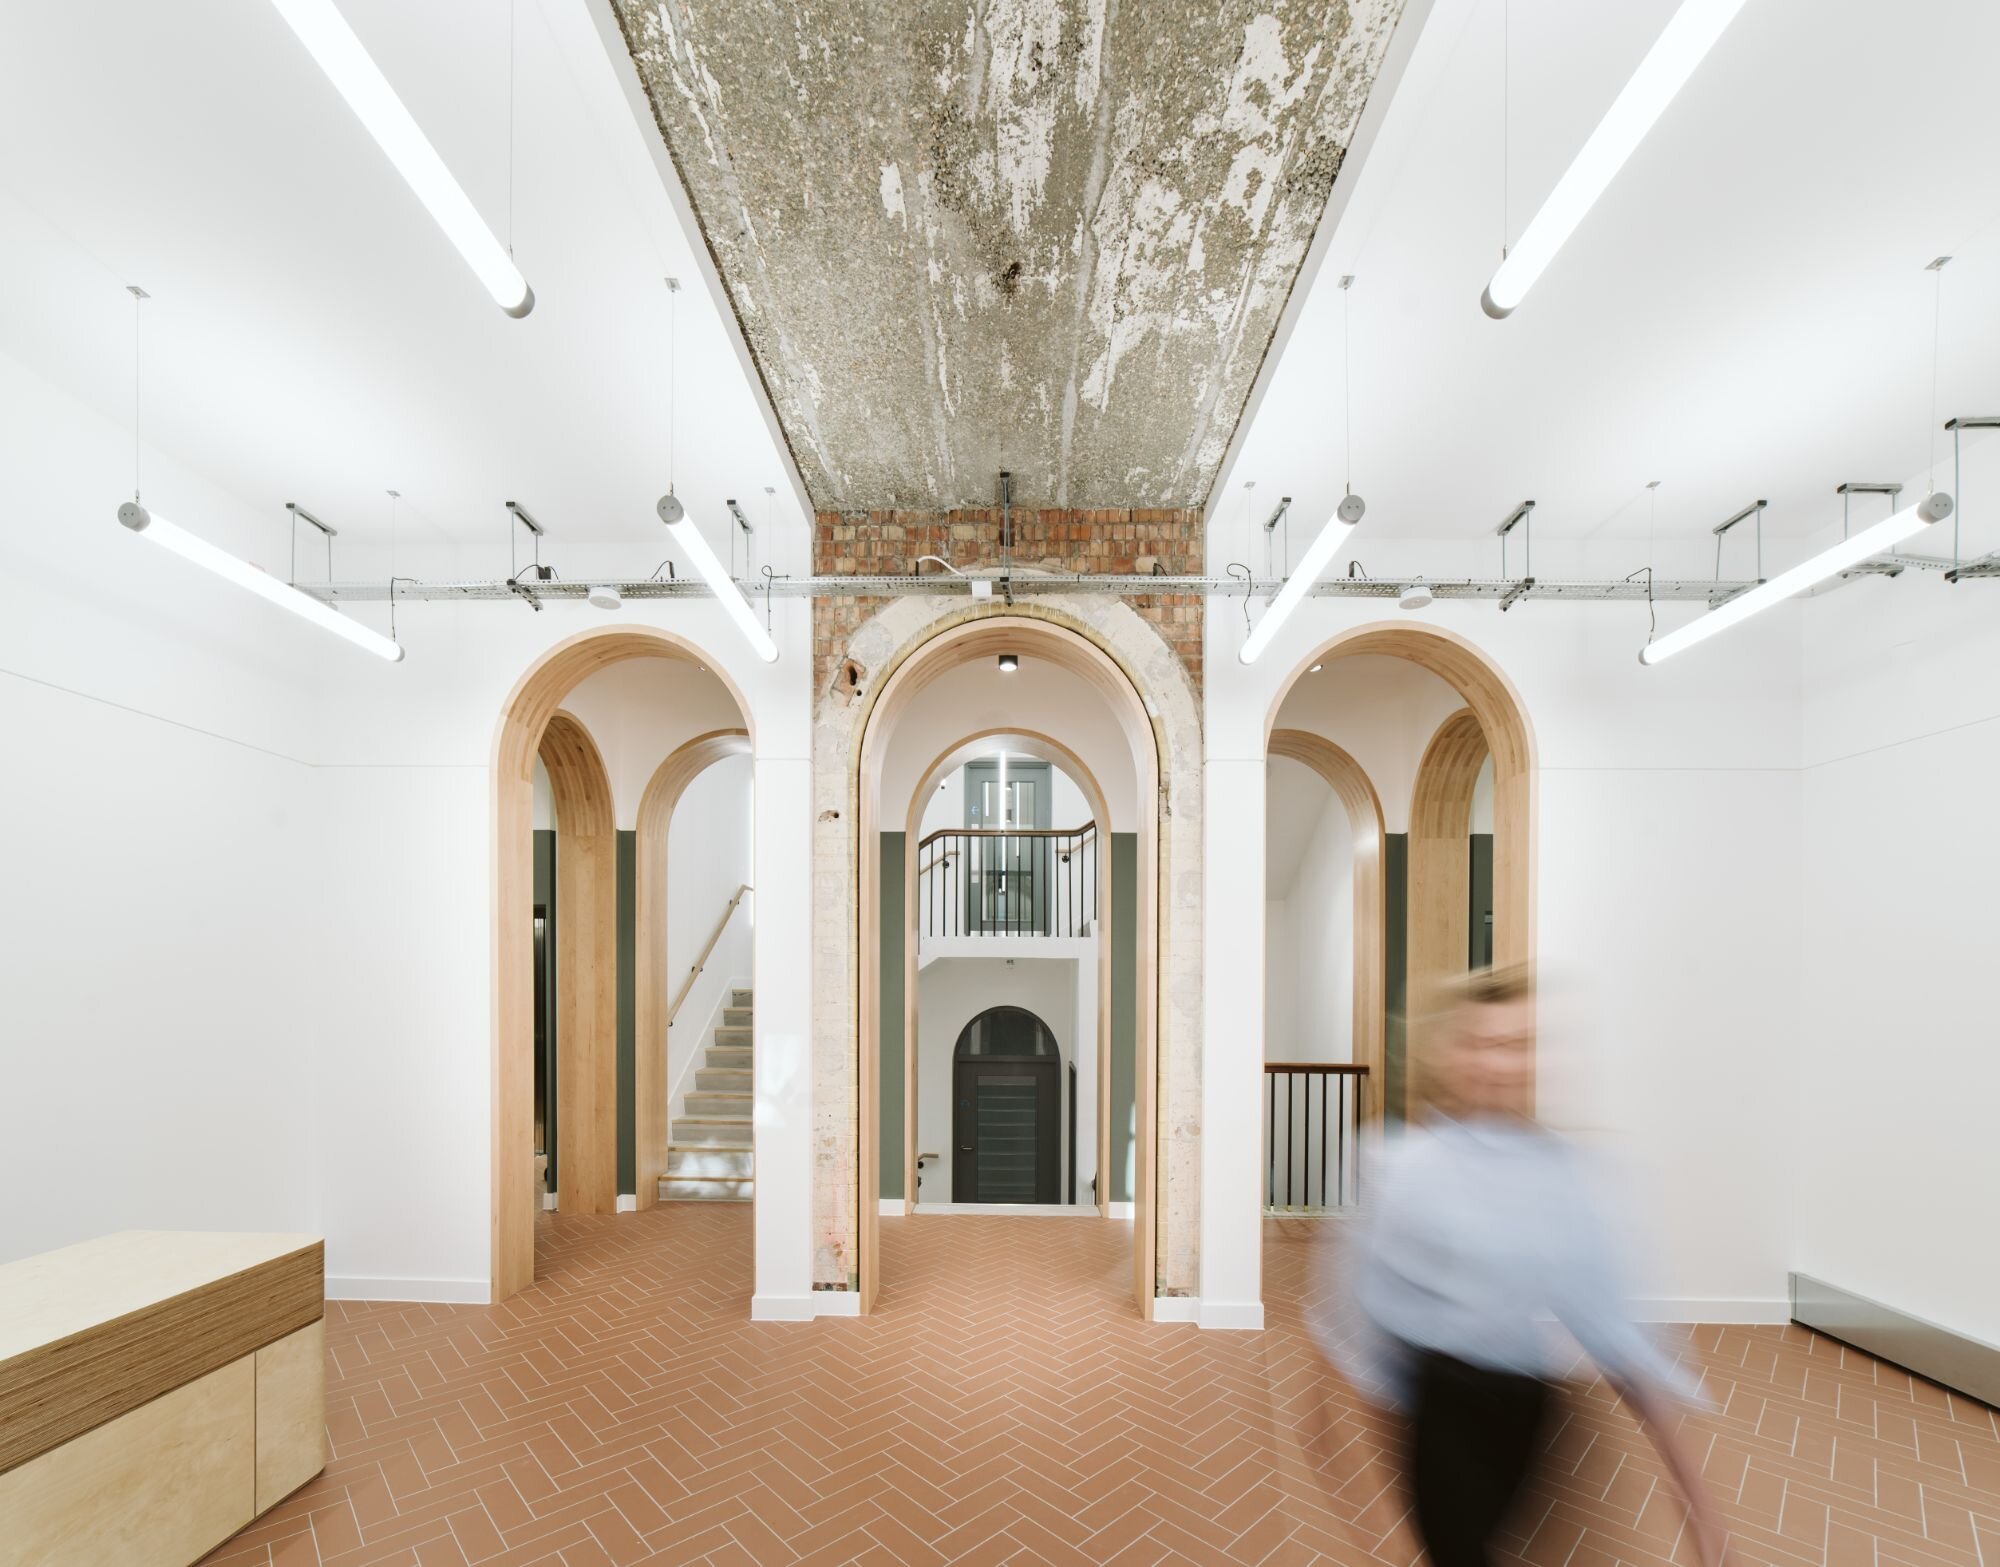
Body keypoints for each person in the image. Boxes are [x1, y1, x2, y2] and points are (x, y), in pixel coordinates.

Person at [1329, 965, 1730, 1567]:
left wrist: (1697, 1500)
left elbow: (1619, 1333)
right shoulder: (1401, 1168)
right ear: (1447, 1053)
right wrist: (1345, 1441)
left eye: (1517, 1045)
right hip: (1441, 1409)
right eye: (1482, 1043)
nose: (1499, 1064)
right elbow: (1362, 1323)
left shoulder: (1568, 1174)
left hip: (1536, 1408)